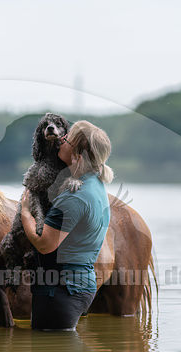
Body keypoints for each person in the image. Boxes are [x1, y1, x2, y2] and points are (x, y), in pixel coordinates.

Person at [20, 120, 114, 330]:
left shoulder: (74, 197)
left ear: (77, 155)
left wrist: (26, 213)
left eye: (68, 139)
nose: (61, 139)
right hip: (76, 285)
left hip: (60, 290)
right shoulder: (95, 184)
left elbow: (45, 244)